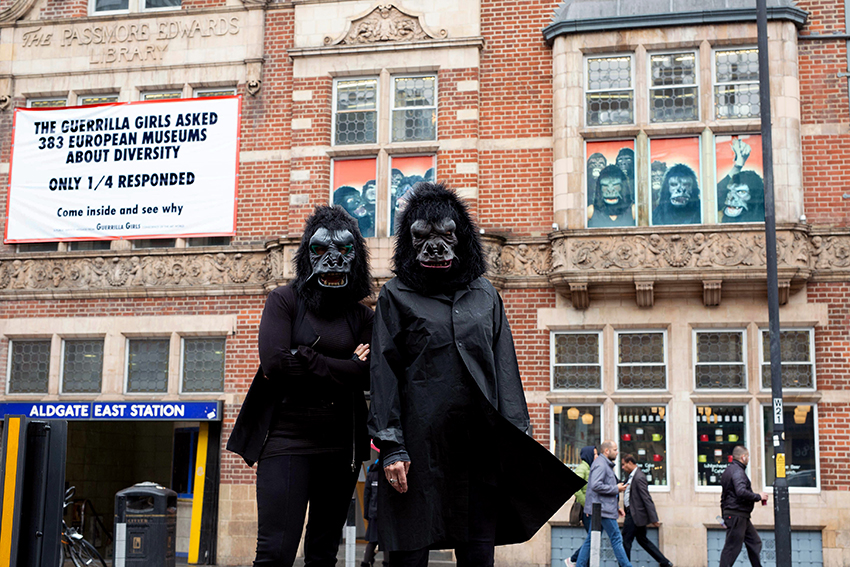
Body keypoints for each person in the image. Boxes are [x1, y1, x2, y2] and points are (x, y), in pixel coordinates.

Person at [369, 183, 582, 567]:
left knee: (478, 556)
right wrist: (391, 446)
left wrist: (516, 439)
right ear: (410, 242)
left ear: (461, 237)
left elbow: (505, 369)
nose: (435, 246)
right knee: (408, 555)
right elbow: (383, 374)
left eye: (446, 235)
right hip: (419, 450)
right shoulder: (395, 296)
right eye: (422, 238)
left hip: (479, 450)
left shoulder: (486, 295)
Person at [226, 205, 375, 567]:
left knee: (323, 553)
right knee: (276, 550)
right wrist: (346, 365)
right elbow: (275, 364)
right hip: (285, 438)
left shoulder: (363, 315)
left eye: (344, 251)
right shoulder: (284, 300)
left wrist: (308, 358)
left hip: (342, 446)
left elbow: (369, 375)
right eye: (322, 250)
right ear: (307, 254)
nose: (333, 260)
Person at [574, 440, 632, 567]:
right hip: (603, 510)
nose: (617, 452)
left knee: (590, 540)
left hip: (603, 508)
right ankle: (627, 566)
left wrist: (616, 507)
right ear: (607, 451)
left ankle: (579, 565)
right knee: (616, 538)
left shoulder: (604, 464)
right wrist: (617, 489)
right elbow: (595, 486)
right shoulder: (601, 465)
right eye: (615, 450)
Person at [719, 446, 769, 567]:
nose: (748, 459)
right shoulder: (738, 472)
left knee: (755, 542)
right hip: (737, 515)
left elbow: (724, 497)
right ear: (743, 457)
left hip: (740, 516)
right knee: (731, 549)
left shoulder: (729, 470)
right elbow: (740, 491)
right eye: (748, 457)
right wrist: (758, 496)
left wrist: (724, 516)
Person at [620, 454, 673, 567]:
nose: (622, 467)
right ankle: (665, 562)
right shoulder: (631, 476)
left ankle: (624, 565)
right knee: (642, 540)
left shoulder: (639, 477)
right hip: (635, 514)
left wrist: (654, 518)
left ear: (630, 463)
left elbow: (646, 498)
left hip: (634, 515)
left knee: (625, 540)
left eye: (624, 465)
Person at [565, 446, 597, 567]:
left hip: (590, 509)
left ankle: (581, 562)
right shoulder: (582, 468)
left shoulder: (590, 467)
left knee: (592, 539)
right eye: (594, 454)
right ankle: (573, 559)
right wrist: (586, 504)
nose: (596, 456)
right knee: (592, 539)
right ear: (588, 455)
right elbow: (575, 487)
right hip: (586, 511)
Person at [362, 443, 389, 567]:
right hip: (386, 513)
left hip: (373, 512)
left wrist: (366, 513)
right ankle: (387, 563)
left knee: (372, 541)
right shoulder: (388, 471)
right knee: (387, 541)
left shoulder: (371, 472)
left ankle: (366, 563)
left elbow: (366, 495)